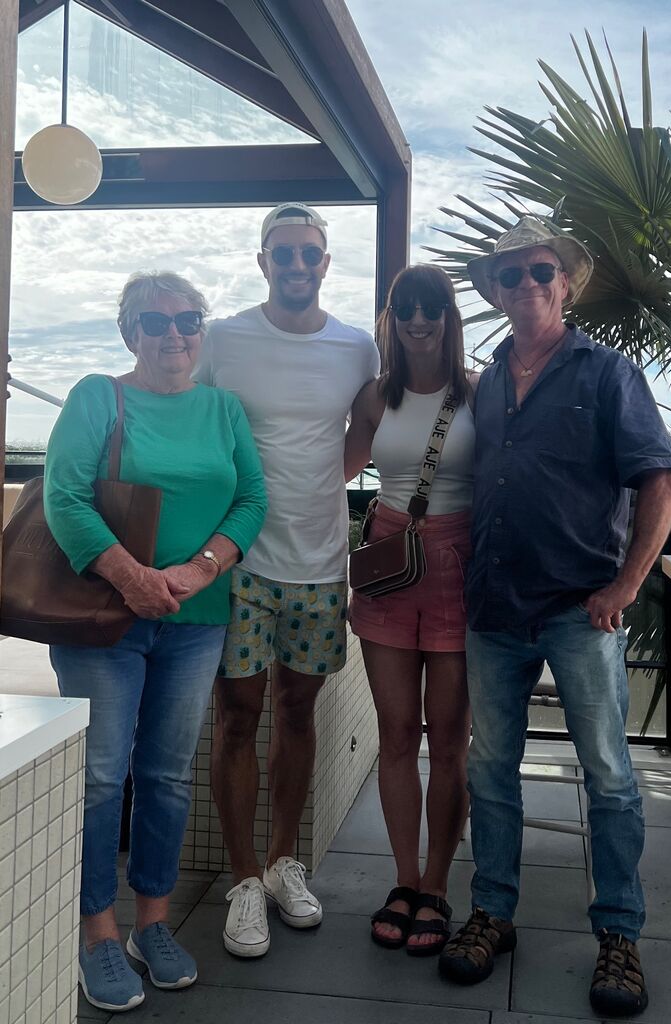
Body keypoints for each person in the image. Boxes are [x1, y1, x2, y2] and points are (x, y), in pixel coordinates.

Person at [437, 217, 671, 1018]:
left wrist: (624, 587)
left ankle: (619, 931)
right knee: (491, 771)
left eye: (541, 271)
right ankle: (493, 913)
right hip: (494, 605)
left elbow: (661, 482)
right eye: (510, 276)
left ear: (565, 282)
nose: (526, 286)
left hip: (582, 611)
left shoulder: (608, 373)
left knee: (609, 777)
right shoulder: (486, 383)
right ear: (496, 291)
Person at [45, 272, 268, 1012]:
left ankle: (152, 924)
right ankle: (98, 935)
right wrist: (131, 574)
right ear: (129, 332)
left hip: (197, 621)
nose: (174, 333)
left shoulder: (223, 407)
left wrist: (200, 567)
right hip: (103, 620)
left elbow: (250, 499)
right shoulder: (94, 397)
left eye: (188, 319)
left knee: (168, 776)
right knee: (104, 777)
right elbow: (64, 495)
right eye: (156, 320)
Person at [193, 203, 379, 958]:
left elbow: (362, 435)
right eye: (284, 254)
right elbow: (191, 414)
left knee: (297, 712)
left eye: (310, 254)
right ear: (263, 260)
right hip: (240, 563)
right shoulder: (225, 339)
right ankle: (243, 882)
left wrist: (315, 489)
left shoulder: (356, 347)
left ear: (326, 263)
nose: (297, 266)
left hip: (320, 565)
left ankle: (281, 864)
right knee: (238, 717)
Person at [345, 265, 477, 956]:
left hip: (459, 567)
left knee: (449, 741)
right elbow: (329, 469)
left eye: (432, 307)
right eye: (406, 308)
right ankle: (402, 880)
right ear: (391, 318)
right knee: (397, 734)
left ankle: (436, 883)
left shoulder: (481, 391)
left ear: (451, 316)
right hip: (390, 564)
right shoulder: (375, 395)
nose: (419, 320)